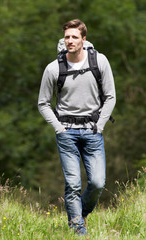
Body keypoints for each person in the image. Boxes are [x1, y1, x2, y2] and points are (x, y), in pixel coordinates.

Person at [38, 19, 116, 235]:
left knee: (98, 183)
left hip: (92, 131)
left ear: (83, 39)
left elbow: (110, 97)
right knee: (72, 184)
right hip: (66, 132)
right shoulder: (53, 69)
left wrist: (99, 126)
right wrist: (58, 128)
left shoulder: (99, 62)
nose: (70, 41)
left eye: (74, 37)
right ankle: (78, 231)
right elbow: (43, 103)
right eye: (67, 37)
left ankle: (81, 213)